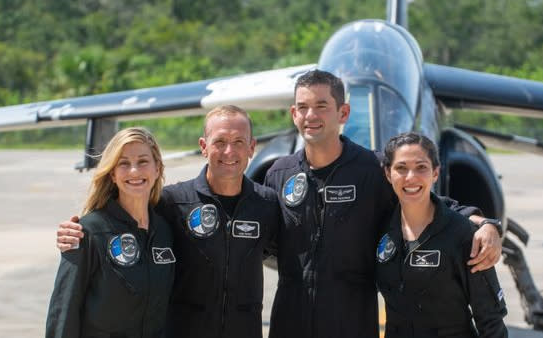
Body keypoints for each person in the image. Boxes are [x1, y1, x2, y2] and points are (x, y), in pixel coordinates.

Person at [263, 70, 502, 338]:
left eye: (321, 106)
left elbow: (426, 201)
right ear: (294, 114)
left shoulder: (372, 171)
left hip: (351, 322)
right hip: (290, 322)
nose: (311, 116)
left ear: (343, 113)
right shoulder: (278, 174)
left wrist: (485, 224)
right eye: (304, 108)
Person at [55, 105, 281, 338]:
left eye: (239, 142)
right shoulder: (172, 204)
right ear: (203, 146)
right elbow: (127, 207)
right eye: (220, 142)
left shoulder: (267, 204)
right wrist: (79, 232)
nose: (229, 151)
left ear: (252, 147)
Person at [46, 127, 174, 338]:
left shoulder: (165, 231)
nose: (134, 171)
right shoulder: (88, 232)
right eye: (124, 163)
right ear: (113, 174)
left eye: (143, 161)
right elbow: (64, 310)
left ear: (157, 168)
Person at [376, 132, 507, 337]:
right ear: (387, 173)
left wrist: (490, 225)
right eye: (401, 168)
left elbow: (491, 322)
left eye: (421, 167)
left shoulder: (463, 235)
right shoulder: (381, 229)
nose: (411, 177)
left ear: (435, 173)